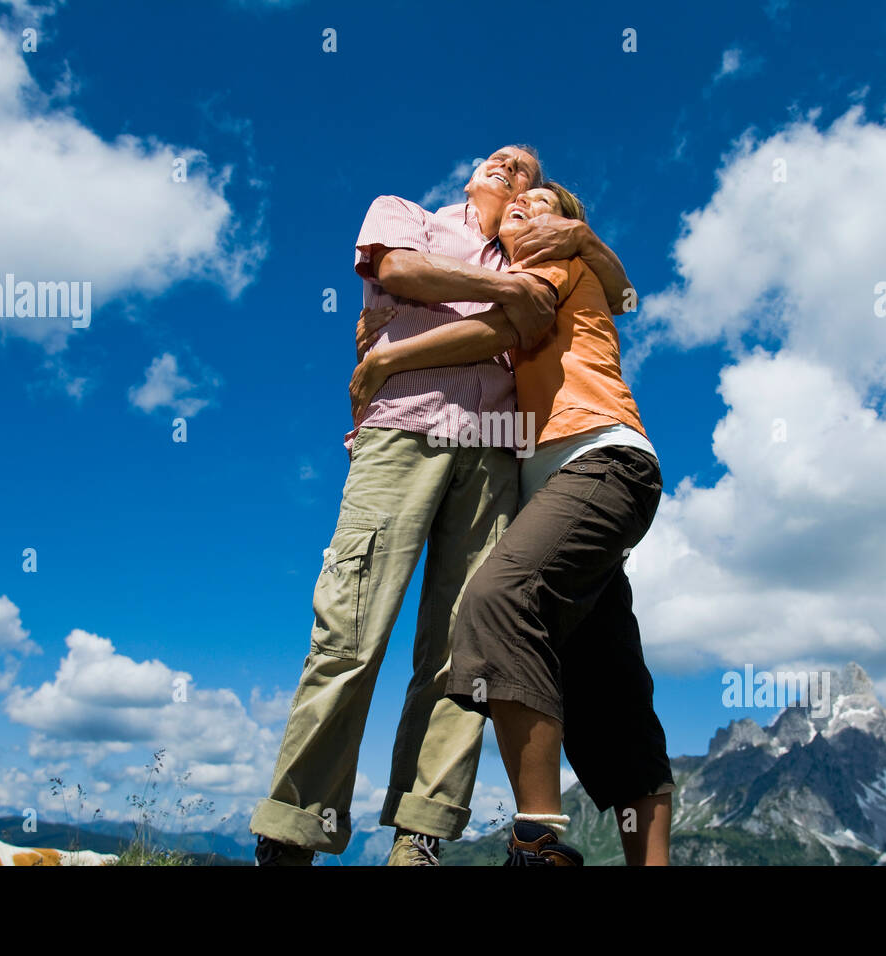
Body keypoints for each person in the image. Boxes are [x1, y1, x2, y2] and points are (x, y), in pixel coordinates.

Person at [252, 149, 636, 866]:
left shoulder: (535, 248)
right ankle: (292, 832)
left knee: (462, 654)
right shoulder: (407, 216)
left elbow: (577, 307)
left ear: (535, 192)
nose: (509, 167)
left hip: (493, 453)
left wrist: (396, 349)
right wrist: (502, 292)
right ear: (471, 176)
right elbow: (400, 271)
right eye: (499, 159)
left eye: (525, 168)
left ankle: (418, 836)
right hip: (401, 431)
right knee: (349, 631)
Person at [350, 183, 673, 866]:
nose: (525, 207)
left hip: (601, 461)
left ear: (566, 225)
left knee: (497, 599)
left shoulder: (552, 260)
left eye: (543, 202)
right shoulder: (538, 266)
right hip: (563, 492)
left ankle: (537, 839)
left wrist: (387, 359)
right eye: (516, 203)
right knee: (607, 689)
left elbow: (504, 327)